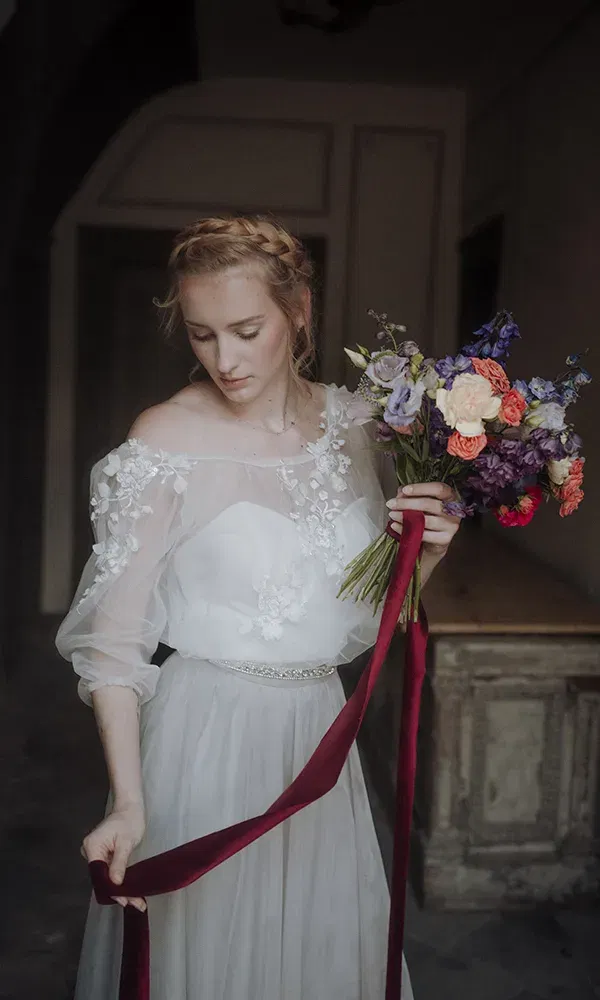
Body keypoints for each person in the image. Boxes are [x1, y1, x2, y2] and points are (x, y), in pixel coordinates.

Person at [56, 215, 460, 1000]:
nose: (225, 360)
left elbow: (373, 613)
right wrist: (131, 804)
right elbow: (113, 645)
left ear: (299, 310)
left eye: (246, 330)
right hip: (205, 737)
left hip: (317, 734)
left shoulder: (356, 425)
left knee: (310, 954)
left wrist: (429, 552)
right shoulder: (165, 440)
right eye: (203, 335)